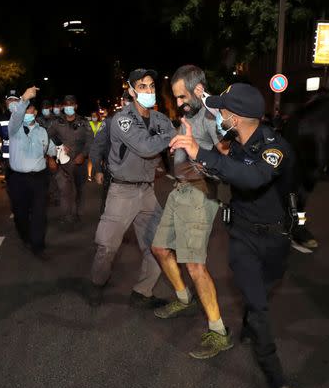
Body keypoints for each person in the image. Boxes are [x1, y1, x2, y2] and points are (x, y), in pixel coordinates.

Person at [170, 83, 297, 388]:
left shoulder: (274, 147)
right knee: (258, 304)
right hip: (242, 235)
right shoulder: (233, 139)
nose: (220, 117)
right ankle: (275, 375)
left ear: (237, 118)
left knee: (262, 295)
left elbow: (252, 177)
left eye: (224, 112)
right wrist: (199, 141)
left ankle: (251, 321)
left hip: (276, 237)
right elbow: (222, 162)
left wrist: (202, 154)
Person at [150, 65, 232, 360]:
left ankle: (219, 331)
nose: (179, 102)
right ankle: (184, 299)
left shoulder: (211, 117)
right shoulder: (189, 116)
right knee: (159, 248)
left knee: (195, 264)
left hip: (200, 192)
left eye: (183, 96)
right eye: (176, 97)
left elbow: (226, 155)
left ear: (199, 90)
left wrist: (199, 153)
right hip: (181, 189)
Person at [87, 68, 175, 308]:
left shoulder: (159, 119)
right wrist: (168, 138)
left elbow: (173, 135)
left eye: (152, 86)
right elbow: (146, 147)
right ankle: (97, 283)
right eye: (143, 87)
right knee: (107, 246)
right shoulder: (122, 119)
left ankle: (143, 291)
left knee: (159, 246)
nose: (149, 91)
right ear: (132, 91)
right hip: (122, 191)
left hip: (147, 191)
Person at [5, 88, 58, 259]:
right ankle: (25, 236)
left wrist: (59, 153)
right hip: (18, 179)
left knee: (39, 213)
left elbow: (51, 149)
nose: (27, 112)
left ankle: (38, 246)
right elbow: (17, 114)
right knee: (20, 214)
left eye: (30, 109)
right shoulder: (14, 128)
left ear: (35, 112)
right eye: (25, 109)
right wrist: (25, 99)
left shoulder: (42, 132)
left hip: (39, 179)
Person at [47, 94, 94, 223]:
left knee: (80, 189)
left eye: (71, 104)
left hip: (79, 162)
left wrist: (83, 154)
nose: (69, 107)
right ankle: (66, 215)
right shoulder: (56, 123)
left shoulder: (84, 123)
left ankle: (79, 213)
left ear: (76, 106)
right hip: (62, 162)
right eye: (66, 104)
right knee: (64, 190)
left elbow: (90, 141)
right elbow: (46, 138)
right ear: (63, 107)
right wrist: (54, 152)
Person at [0, 90, 17, 175]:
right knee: (11, 186)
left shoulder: (26, 117)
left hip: (23, 159)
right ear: (6, 102)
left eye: (15, 100)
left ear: (20, 102)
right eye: (10, 100)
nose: (13, 102)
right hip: (7, 161)